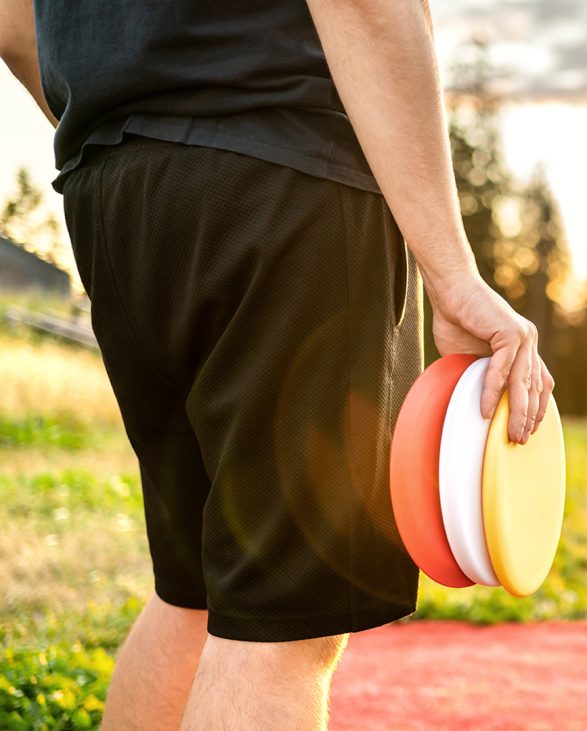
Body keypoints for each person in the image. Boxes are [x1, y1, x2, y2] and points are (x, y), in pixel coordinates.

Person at [0, 0, 554, 727]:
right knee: (284, 625)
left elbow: (13, 23)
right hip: (286, 177)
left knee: (192, 592)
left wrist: (142, 125)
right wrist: (451, 272)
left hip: (110, 186)